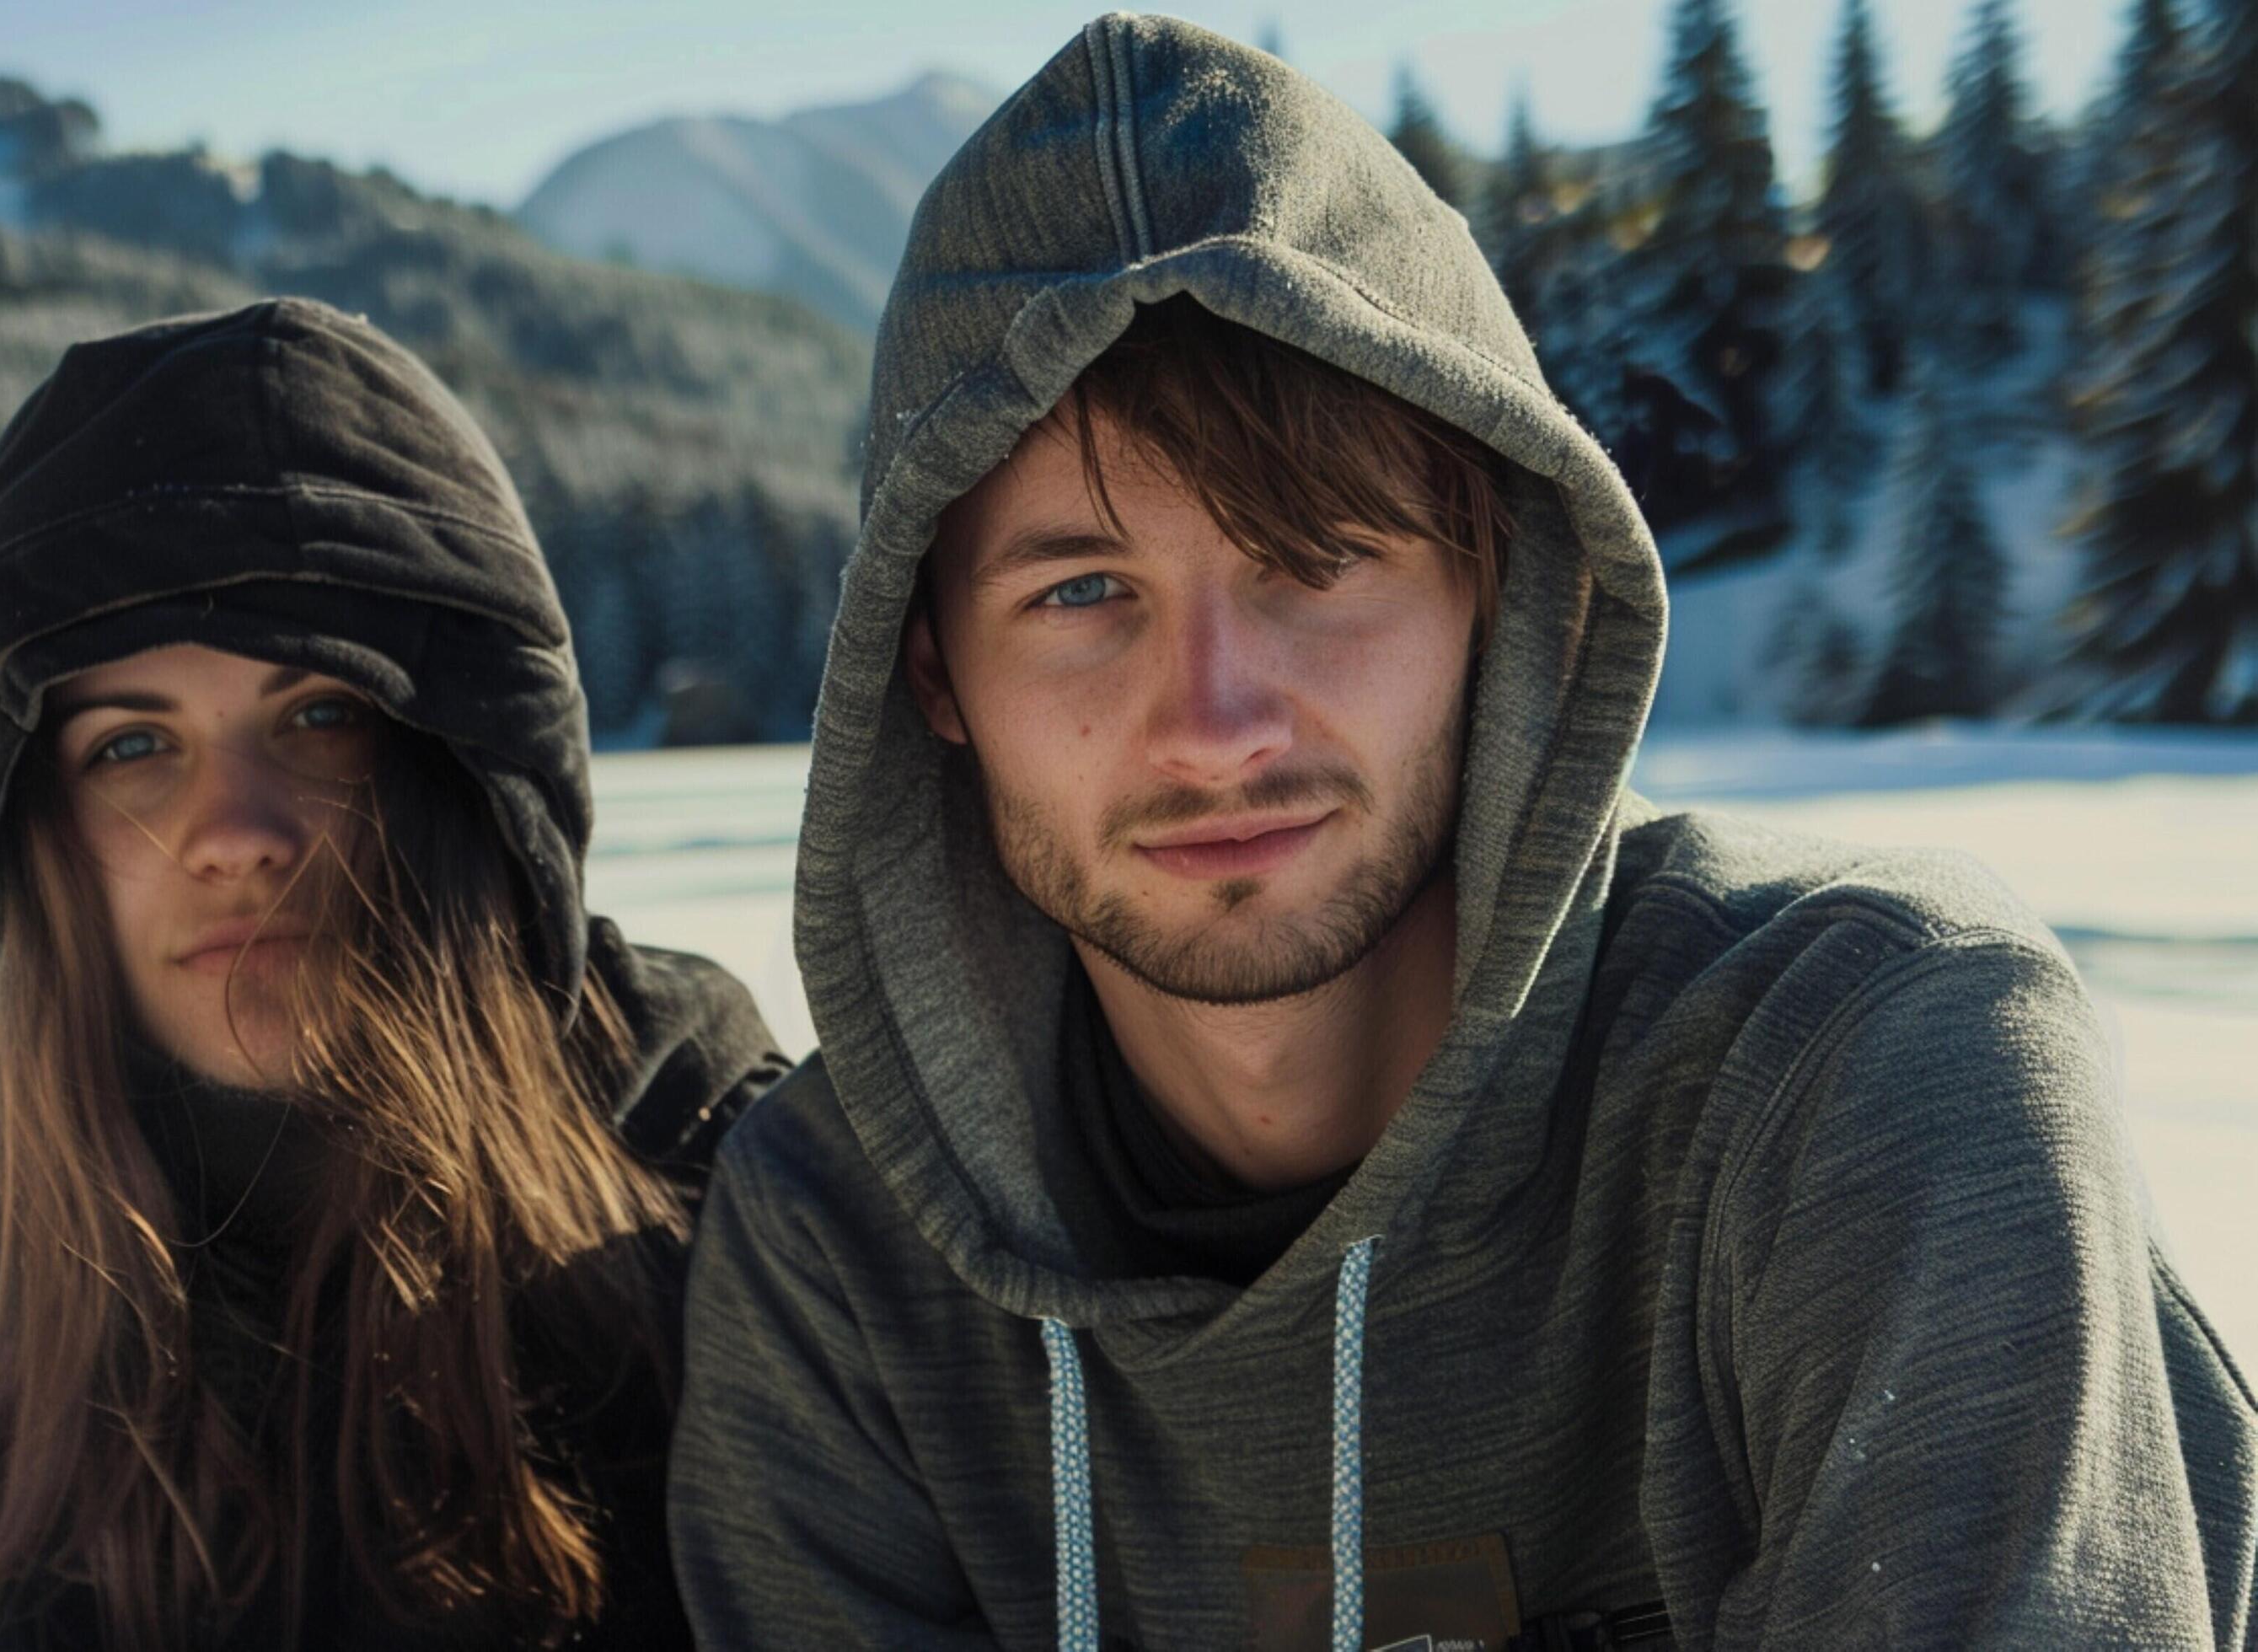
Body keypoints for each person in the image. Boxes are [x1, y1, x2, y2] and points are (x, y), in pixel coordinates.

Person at [668, 17, 2257, 1650]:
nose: (1217, 720)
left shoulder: (1856, 1065)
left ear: (1495, 587)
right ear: (933, 671)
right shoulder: (841, 1237)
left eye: (1318, 557)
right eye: (1082, 593)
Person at [0, 299, 789, 1650]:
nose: (235, 834)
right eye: (129, 748)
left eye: (321, 716)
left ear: (460, 767)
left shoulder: (677, 1117)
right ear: (33, 823)